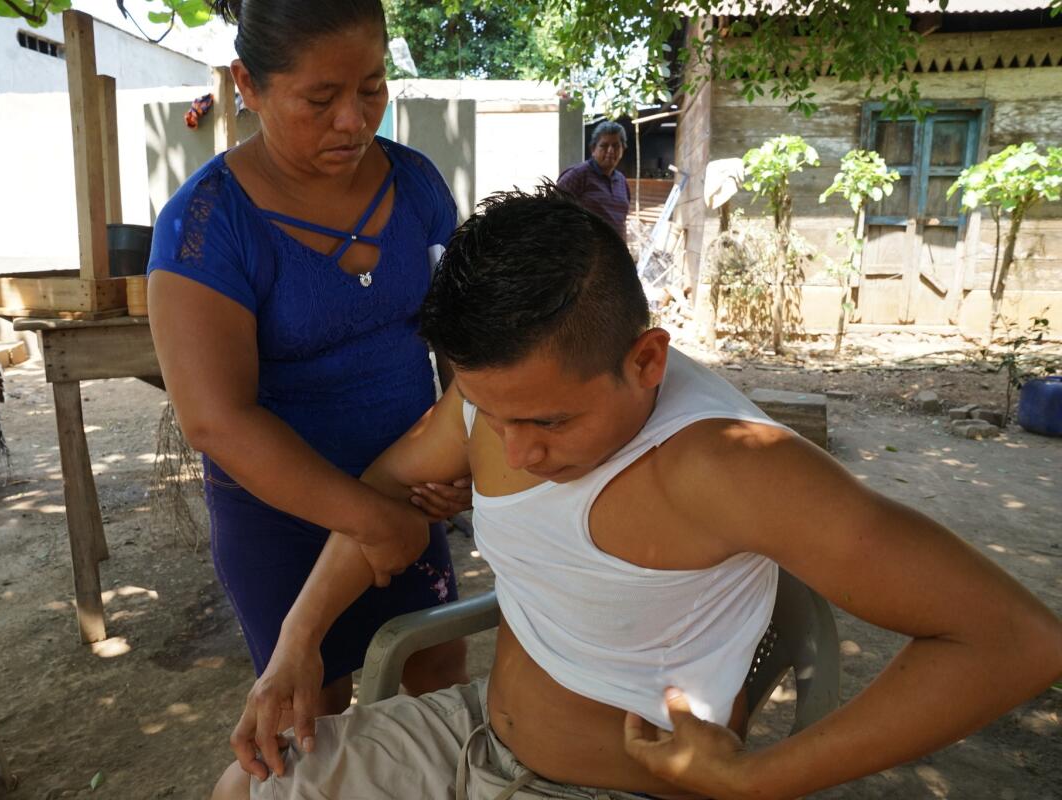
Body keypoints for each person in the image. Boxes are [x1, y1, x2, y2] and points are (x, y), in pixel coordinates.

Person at [211, 187, 1062, 800]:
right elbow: (389, 482)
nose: (512, 452)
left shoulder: (732, 468)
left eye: (547, 421)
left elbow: (1013, 640)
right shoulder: (504, 394)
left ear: (647, 361)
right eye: (488, 413)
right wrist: (298, 641)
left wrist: (760, 778)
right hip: (470, 734)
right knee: (242, 789)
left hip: (610, 785)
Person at [146, 0, 470, 727]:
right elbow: (217, 418)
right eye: (320, 99)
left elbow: (467, 342)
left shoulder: (415, 186)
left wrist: (466, 452)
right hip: (281, 517)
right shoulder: (206, 226)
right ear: (248, 85)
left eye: (371, 88)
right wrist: (367, 518)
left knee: (437, 670)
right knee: (313, 706)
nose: (354, 120)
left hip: (413, 496)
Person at [557, 120, 631, 239]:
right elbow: (552, 211)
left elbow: (621, 222)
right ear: (593, 149)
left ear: (623, 149)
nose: (611, 151)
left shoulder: (621, 181)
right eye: (604, 145)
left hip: (614, 254)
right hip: (584, 253)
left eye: (616, 145)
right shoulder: (577, 175)